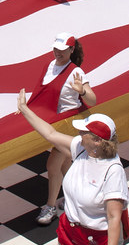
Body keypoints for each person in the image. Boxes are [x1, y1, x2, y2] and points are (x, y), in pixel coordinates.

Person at [15, 98, 129, 245]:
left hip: (101, 240)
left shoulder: (113, 171)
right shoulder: (81, 147)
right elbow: (50, 134)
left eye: (84, 132)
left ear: (97, 141)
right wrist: (24, 109)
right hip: (71, 234)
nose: (79, 134)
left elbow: (114, 218)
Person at [26, 33, 97, 226]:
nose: (58, 52)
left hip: (70, 124)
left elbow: (92, 99)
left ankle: (50, 206)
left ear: (71, 50)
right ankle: (77, 198)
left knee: (52, 165)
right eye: (56, 48)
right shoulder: (50, 65)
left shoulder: (77, 73)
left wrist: (81, 90)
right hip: (55, 122)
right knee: (66, 165)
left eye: (63, 50)